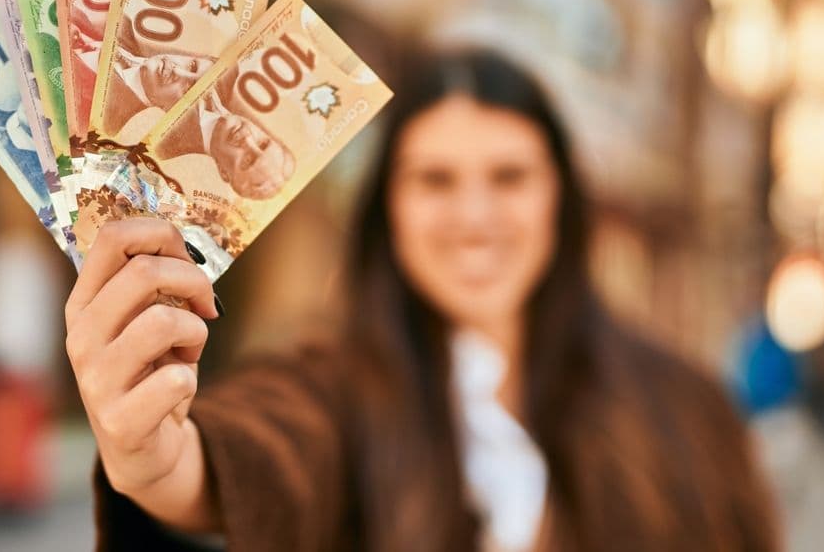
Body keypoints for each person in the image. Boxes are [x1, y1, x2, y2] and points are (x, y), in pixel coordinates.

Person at [64, 49, 781, 551]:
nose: (474, 215)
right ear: (389, 211)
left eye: (508, 176)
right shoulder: (327, 386)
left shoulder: (688, 406)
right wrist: (158, 462)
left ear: (561, 199)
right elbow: (265, 452)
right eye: (434, 180)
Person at [152, 89, 296, 200]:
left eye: (247, 160)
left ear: (224, 172)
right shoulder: (230, 78)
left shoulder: (163, 147)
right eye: (263, 143)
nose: (247, 139)